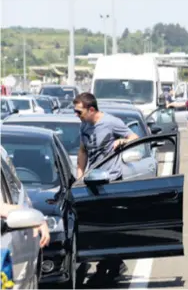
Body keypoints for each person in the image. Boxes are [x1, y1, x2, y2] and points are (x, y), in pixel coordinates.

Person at [74, 92, 139, 284]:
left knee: (109, 225)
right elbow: (83, 150)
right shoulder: (84, 124)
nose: (76, 115)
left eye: (79, 111)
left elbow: (135, 137)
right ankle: (114, 263)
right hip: (91, 181)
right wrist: (80, 176)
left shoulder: (111, 122)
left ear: (91, 109)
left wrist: (122, 141)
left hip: (110, 180)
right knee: (97, 226)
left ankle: (106, 268)